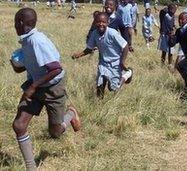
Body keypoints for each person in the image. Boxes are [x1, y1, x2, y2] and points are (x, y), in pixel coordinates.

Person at [11, 8, 81, 171]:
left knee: (55, 132)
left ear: (21, 23)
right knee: (19, 125)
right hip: (35, 85)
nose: (14, 26)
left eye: (15, 22)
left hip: (52, 87)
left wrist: (33, 87)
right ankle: (31, 167)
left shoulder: (37, 40)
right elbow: (32, 64)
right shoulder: (27, 41)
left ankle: (70, 115)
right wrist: (16, 65)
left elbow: (56, 69)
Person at [72, 12, 133, 99]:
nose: (101, 24)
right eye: (98, 22)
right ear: (95, 22)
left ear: (107, 23)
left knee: (113, 88)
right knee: (100, 84)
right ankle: (99, 104)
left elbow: (125, 46)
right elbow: (89, 49)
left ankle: (127, 74)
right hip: (103, 63)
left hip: (116, 63)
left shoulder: (112, 33)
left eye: (103, 22)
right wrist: (79, 55)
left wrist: (122, 62)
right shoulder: (94, 34)